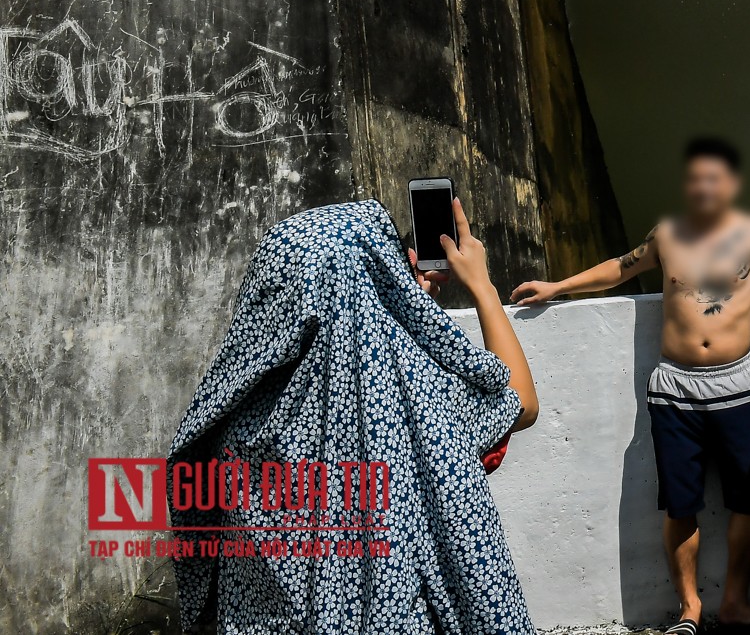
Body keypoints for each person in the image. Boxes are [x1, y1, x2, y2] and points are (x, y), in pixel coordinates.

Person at [511, 137, 750, 635]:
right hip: (675, 391)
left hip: (739, 387)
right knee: (680, 505)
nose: (704, 188)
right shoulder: (667, 234)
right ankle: (690, 610)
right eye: (696, 179)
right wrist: (557, 287)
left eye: (714, 179)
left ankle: (737, 604)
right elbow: (619, 268)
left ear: (730, 185)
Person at [171, 198, 539, 635]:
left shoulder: (229, 425)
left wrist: (390, 311)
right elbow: (520, 402)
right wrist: (481, 286)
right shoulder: (408, 396)